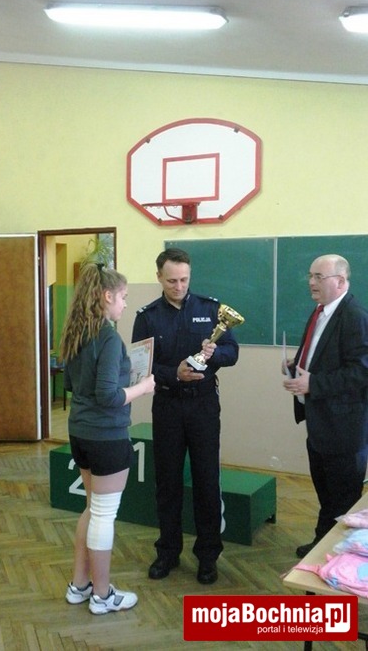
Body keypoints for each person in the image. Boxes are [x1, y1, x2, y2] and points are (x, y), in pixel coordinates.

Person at [132, 248, 239, 585]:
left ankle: (208, 556)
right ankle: (167, 552)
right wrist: (174, 374)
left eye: (184, 280)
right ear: (159, 278)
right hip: (167, 405)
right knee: (167, 482)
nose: (179, 286)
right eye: (171, 281)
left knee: (207, 480)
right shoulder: (147, 316)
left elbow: (232, 352)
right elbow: (140, 367)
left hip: (203, 406)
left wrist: (215, 353)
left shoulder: (210, 309)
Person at [59, 262, 155, 615]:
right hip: (106, 436)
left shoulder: (75, 332)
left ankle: (79, 586)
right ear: (107, 295)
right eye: (123, 297)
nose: (126, 304)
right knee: (103, 514)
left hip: (79, 432)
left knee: (92, 508)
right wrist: (144, 386)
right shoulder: (109, 337)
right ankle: (102, 596)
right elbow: (109, 397)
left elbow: (72, 385)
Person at [283, 254, 368, 558]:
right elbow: (322, 356)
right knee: (328, 495)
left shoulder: (355, 316)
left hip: (344, 429)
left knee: (342, 499)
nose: (311, 282)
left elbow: (362, 371)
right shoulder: (321, 311)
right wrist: (296, 364)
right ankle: (322, 545)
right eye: (310, 276)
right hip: (320, 423)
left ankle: (333, 558)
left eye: (319, 277)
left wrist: (314, 383)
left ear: (341, 281)